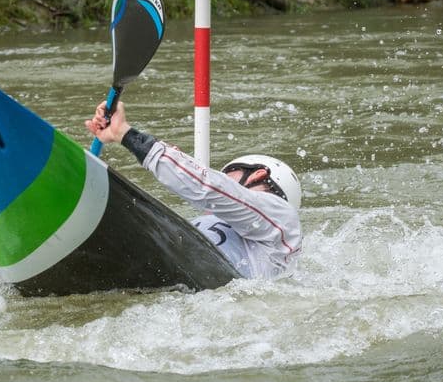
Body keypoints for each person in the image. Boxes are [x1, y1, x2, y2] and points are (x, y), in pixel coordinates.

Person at [86, 101, 302, 279]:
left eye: (228, 173)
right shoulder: (208, 222)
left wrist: (125, 134)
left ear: (257, 175)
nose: (223, 177)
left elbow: (209, 187)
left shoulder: (281, 217)